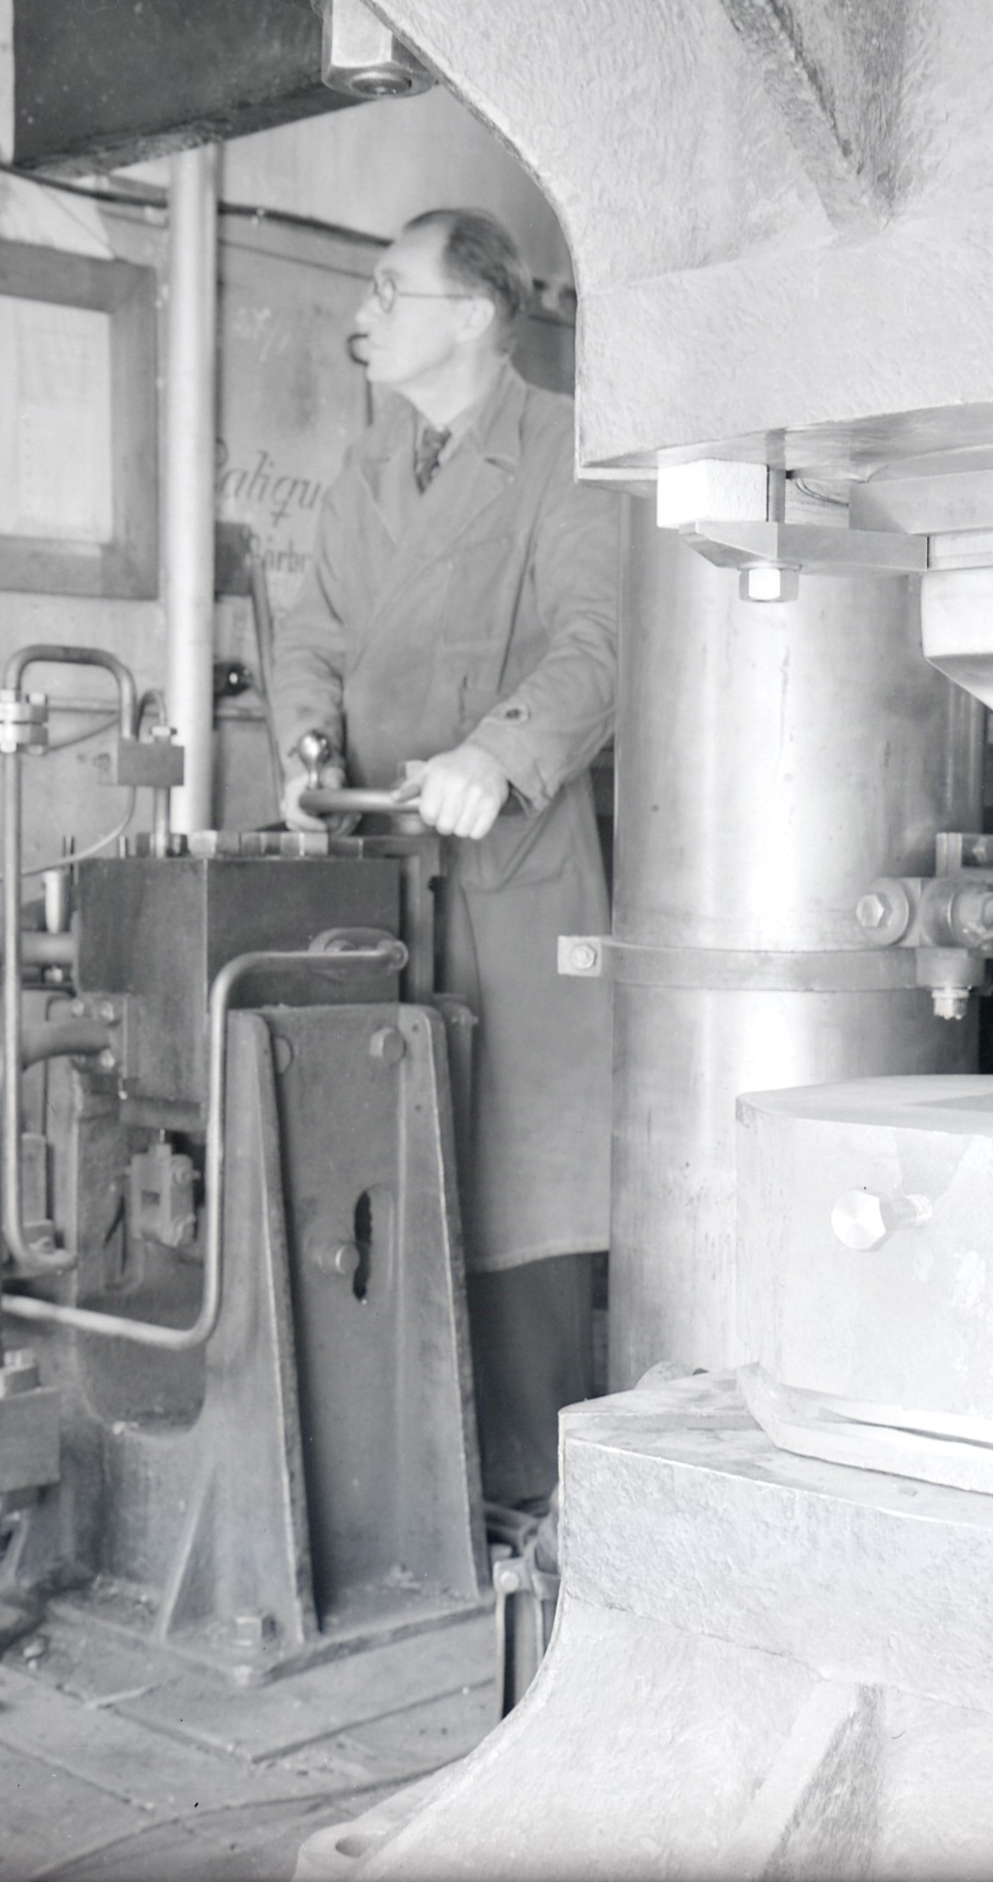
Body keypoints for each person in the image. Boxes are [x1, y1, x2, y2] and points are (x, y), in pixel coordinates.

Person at [270, 207, 622, 1511]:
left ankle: (533, 1495)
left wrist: (499, 753)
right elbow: (311, 636)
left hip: (510, 873)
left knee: (518, 1177)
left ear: (473, 314)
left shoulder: (565, 450)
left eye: (388, 286)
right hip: (376, 869)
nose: (365, 308)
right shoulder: (373, 466)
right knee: (383, 1161)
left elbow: (601, 641)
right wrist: (306, 756)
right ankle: (408, 1484)